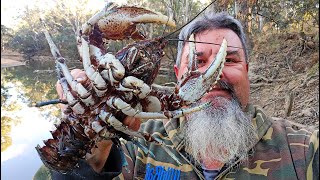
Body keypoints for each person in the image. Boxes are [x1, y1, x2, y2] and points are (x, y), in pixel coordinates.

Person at [34, 12, 319, 180]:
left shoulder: (305, 150)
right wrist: (90, 141)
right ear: (177, 72)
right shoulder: (136, 147)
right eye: (197, 62)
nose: (214, 74)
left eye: (228, 60)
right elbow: (90, 35)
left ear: (247, 69)